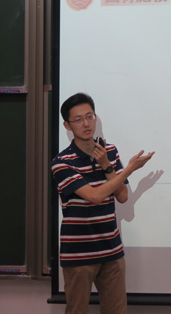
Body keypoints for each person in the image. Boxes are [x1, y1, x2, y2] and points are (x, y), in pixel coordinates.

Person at [51, 92, 154, 314]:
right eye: (78, 119)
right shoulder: (62, 163)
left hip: (111, 250)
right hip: (79, 254)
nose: (86, 124)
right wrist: (129, 170)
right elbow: (94, 197)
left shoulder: (110, 152)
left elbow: (122, 196)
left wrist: (107, 165)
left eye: (90, 116)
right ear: (67, 125)